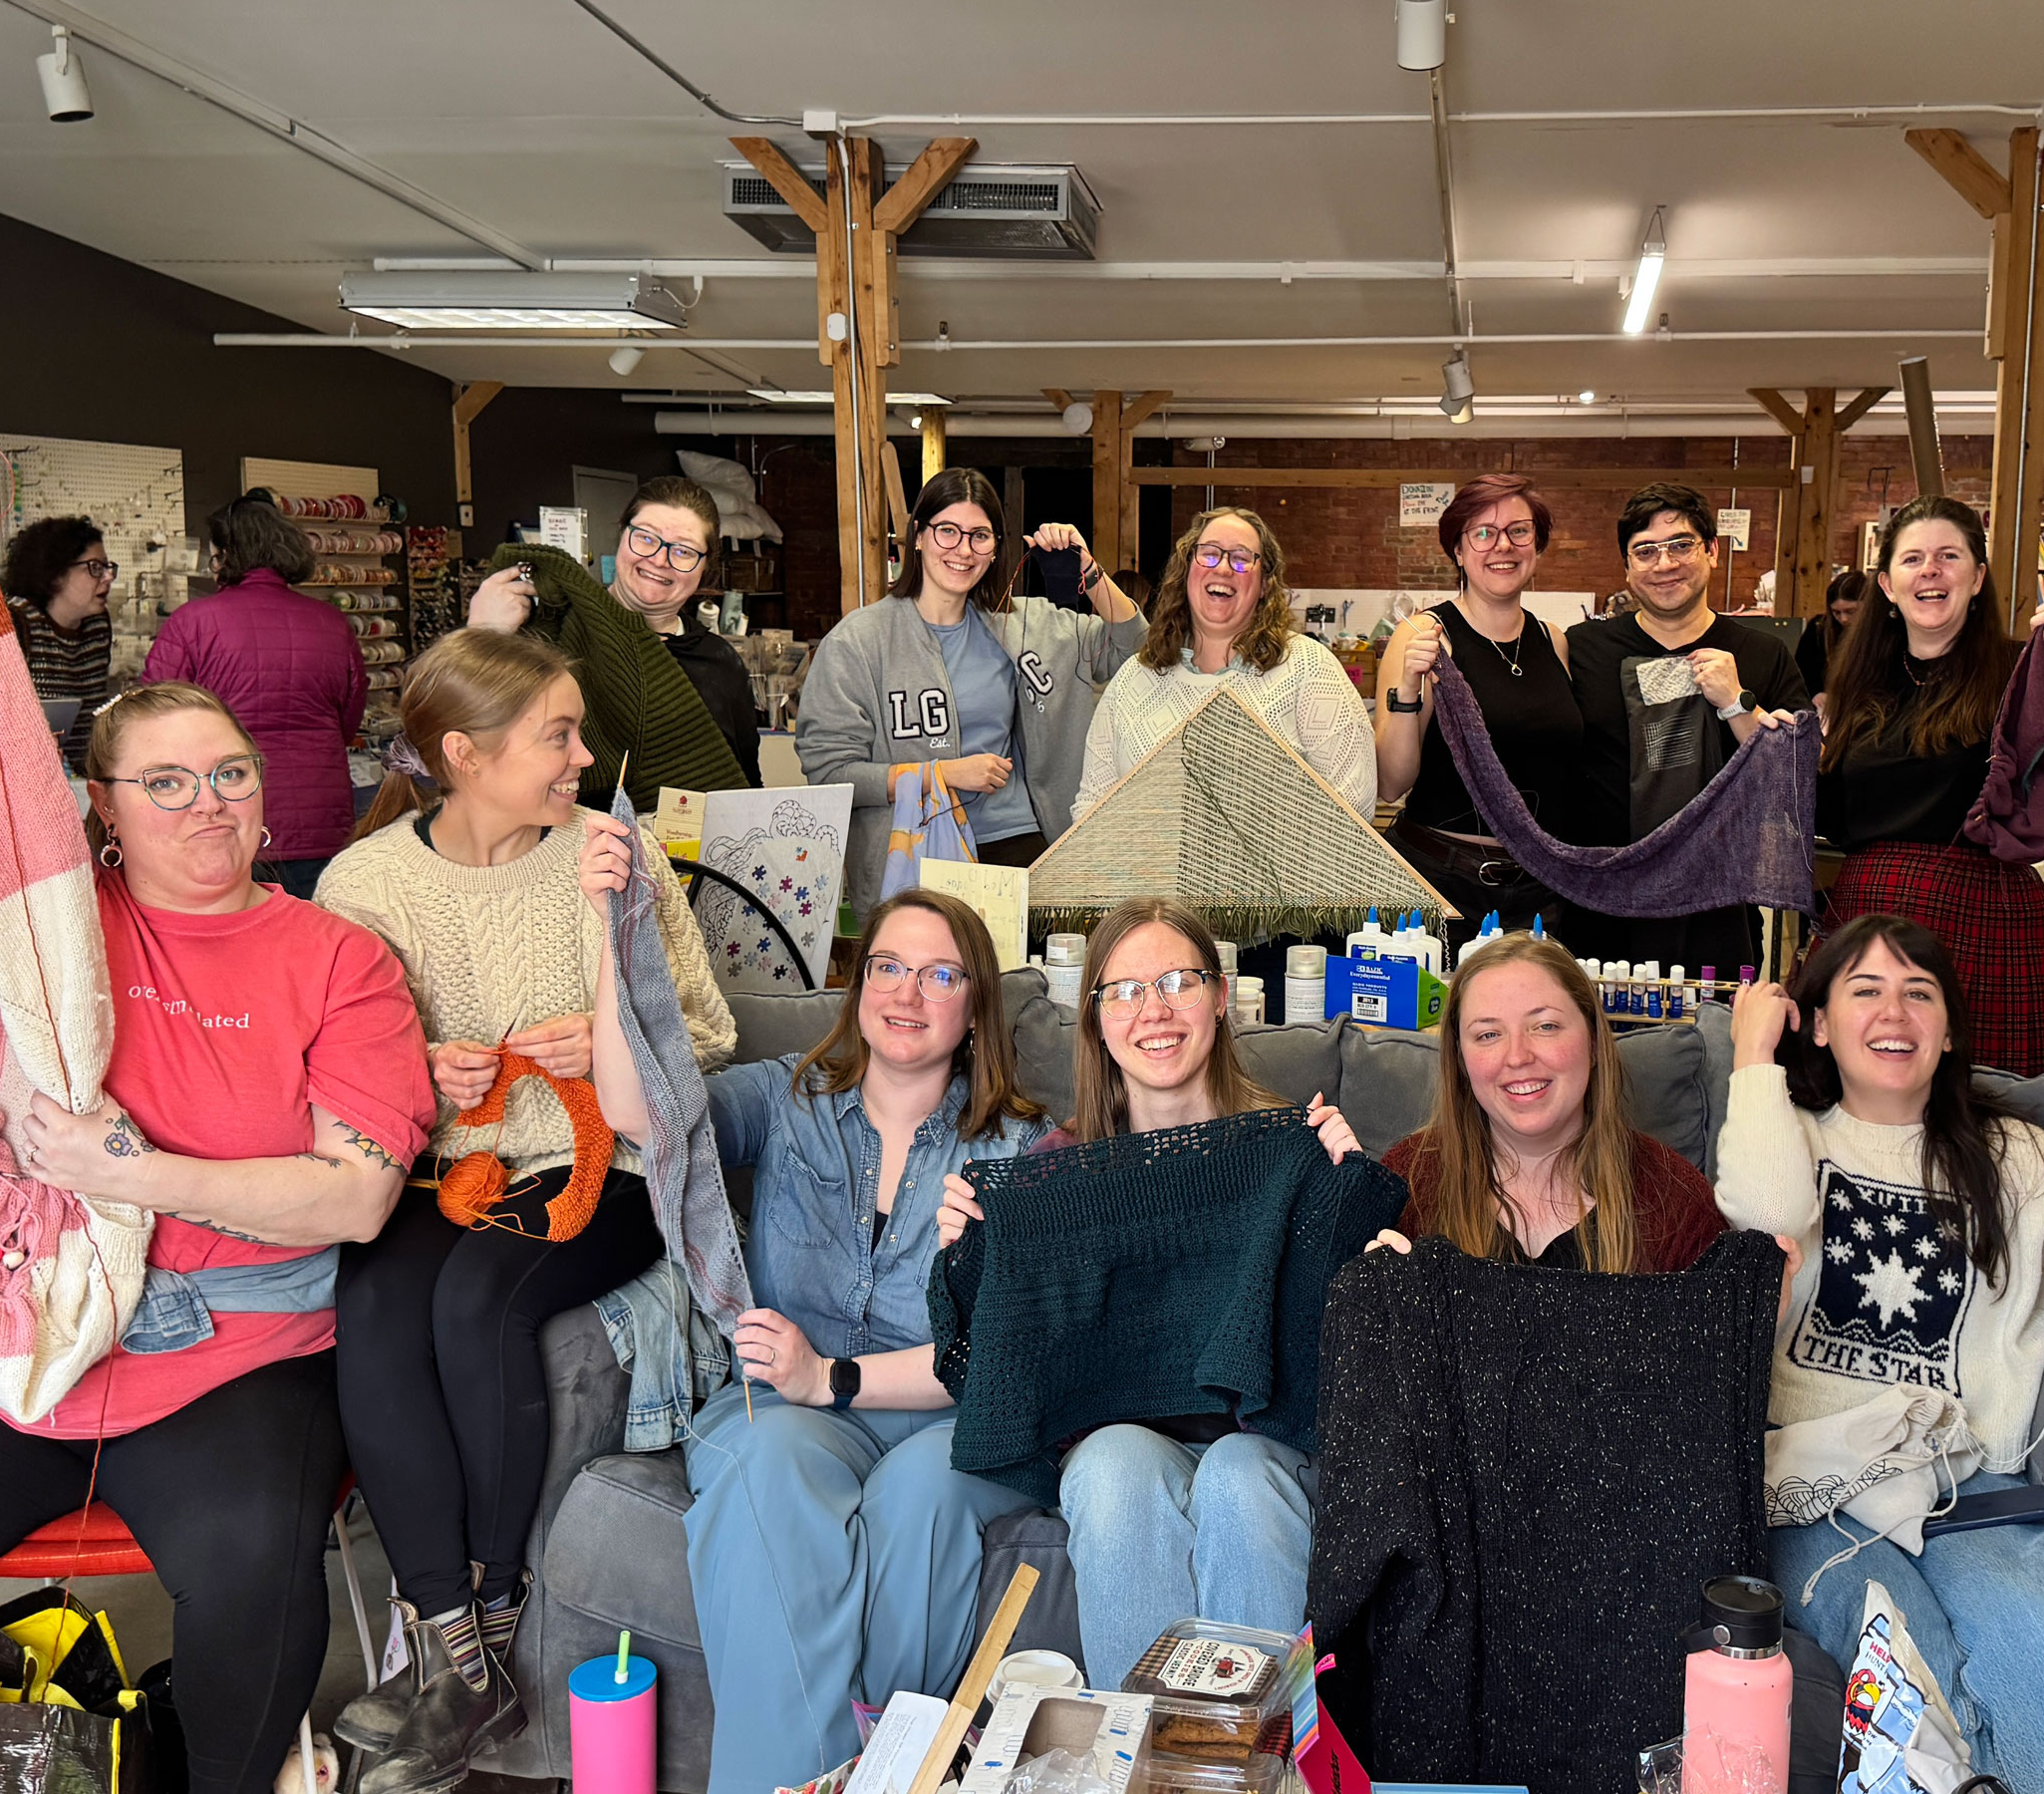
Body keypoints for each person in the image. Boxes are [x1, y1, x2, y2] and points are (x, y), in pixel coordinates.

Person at [0, 682, 435, 1794]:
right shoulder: (39, 935)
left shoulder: (339, 959)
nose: (208, 803)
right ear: (102, 802)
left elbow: (356, 1199)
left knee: (253, 1581)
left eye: (230, 773)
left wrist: (132, 1173)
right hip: (15, 1331)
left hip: (234, 1352)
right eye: (167, 783)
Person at [313, 629, 734, 1790]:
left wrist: (609, 1040)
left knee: (477, 1306)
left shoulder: (609, 857)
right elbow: (331, 1071)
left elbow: (707, 1032)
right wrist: (417, 1072)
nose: (583, 758)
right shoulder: (364, 886)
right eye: (559, 736)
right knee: (375, 1308)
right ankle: (454, 1651)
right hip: (446, 1168)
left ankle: (486, 1629)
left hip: (605, 1166)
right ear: (465, 753)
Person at [1719, 915, 2044, 1794]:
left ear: (1950, 1031)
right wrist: (1753, 1058)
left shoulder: (2023, 1160)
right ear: (1821, 1023)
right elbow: (1766, 1220)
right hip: (1811, 1486)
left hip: (1969, 1489)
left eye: (1919, 993)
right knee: (1907, 1673)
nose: (1894, 1012)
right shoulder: (1785, 1134)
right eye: (1865, 990)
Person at [589, 885, 1045, 1794]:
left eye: (940, 975)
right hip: (785, 1411)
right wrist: (613, 929)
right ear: (858, 983)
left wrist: (829, 1375)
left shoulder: (1021, 1149)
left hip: (946, 1415)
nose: (906, 993)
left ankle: (880, 1775)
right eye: (888, 967)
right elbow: (640, 1112)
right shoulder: (785, 1096)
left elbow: (1002, 1357)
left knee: (922, 1496)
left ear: (976, 1005)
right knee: (768, 1463)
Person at [935, 896, 1363, 1686]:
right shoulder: (1058, 1173)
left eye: (1178, 982)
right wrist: (975, 1255)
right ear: (1095, 1019)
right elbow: (1014, 1360)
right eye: (1126, 991)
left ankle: (1260, 1748)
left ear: (1221, 997)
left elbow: (1350, 1338)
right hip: (1123, 1450)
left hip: (1265, 1443)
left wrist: (1344, 1201)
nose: (1154, 1010)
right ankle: (1143, 1745)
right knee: (1111, 1466)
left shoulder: (1292, 1146)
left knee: (1238, 1476)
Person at [1818, 495, 2044, 1075]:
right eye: (1912, 559)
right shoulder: (1859, 682)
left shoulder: (2022, 675)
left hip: (1984, 914)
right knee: (1860, 1094)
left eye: (1948, 556)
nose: (1930, 570)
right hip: (1868, 909)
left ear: (1977, 577)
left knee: (1988, 1101)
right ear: (1887, 585)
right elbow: (1834, 821)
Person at [797, 467, 1142, 925]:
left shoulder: (1021, 624)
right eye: (947, 531)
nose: (963, 550)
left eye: (979, 536)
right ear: (918, 536)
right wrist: (940, 774)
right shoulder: (858, 642)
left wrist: (1089, 569)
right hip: (914, 859)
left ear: (995, 547)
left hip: (1017, 845)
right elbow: (831, 774)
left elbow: (1134, 648)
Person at [1368, 932, 1726, 1272]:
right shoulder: (1405, 1183)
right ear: (1460, 1059)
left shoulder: (1675, 1199)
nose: (1517, 1057)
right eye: (1488, 1034)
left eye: (1545, 1027)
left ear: (1594, 1043)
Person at [1564, 481, 1810, 974]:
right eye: (1645, 551)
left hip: (1718, 912)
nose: (1665, 563)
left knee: (1713, 1024)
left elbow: (1797, 782)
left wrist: (1738, 704)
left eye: (1681, 545)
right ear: (1627, 567)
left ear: (1713, 551)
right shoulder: (1583, 649)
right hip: (1603, 906)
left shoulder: (1763, 654)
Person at [1374, 474, 1585, 937]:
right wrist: (1409, 686)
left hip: (1538, 887)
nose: (1502, 546)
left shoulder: (1553, 641)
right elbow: (1391, 784)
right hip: (1441, 886)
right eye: (1484, 533)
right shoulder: (1425, 636)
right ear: (1458, 549)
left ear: (1537, 544)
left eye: (1519, 531)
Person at [1075, 506, 1376, 823]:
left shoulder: (1309, 670)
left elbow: (1353, 804)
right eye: (1209, 554)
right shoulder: (1135, 677)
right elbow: (1092, 805)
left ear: (1264, 584)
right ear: (1187, 570)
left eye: (1241, 559)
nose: (1222, 568)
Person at [468, 476, 764, 788]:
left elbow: (746, 784)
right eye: (646, 538)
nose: (659, 560)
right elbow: (465, 736)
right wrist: (481, 635)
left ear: (705, 566)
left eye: (683, 551)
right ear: (622, 534)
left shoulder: (721, 663)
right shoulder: (544, 635)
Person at [144, 495, 368, 901]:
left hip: (230, 812)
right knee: (320, 930)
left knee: (243, 932)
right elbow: (348, 720)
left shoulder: (193, 622)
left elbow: (152, 719)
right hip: (321, 816)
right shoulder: (333, 623)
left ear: (225, 554)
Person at [1, 512, 116, 766]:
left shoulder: (97, 625)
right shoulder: (16, 623)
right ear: (55, 573)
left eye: (108, 567)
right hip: (26, 769)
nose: (108, 577)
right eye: (95, 568)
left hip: (84, 773)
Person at [1796, 567, 1870, 699]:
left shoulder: (1882, 633)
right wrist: (1815, 693)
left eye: (1851, 611)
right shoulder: (1818, 629)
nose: (1843, 619)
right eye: (1836, 612)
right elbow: (1801, 672)